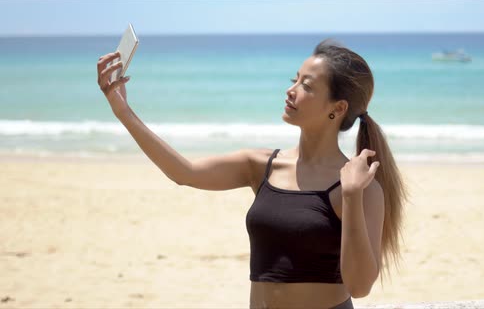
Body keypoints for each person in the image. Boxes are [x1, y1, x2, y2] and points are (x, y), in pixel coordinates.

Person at [96, 39, 406, 309]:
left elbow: (360, 286)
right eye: (295, 79)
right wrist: (122, 110)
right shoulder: (261, 165)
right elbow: (183, 172)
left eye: (306, 86)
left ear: (337, 109)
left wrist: (352, 197)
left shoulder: (358, 185)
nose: (291, 90)